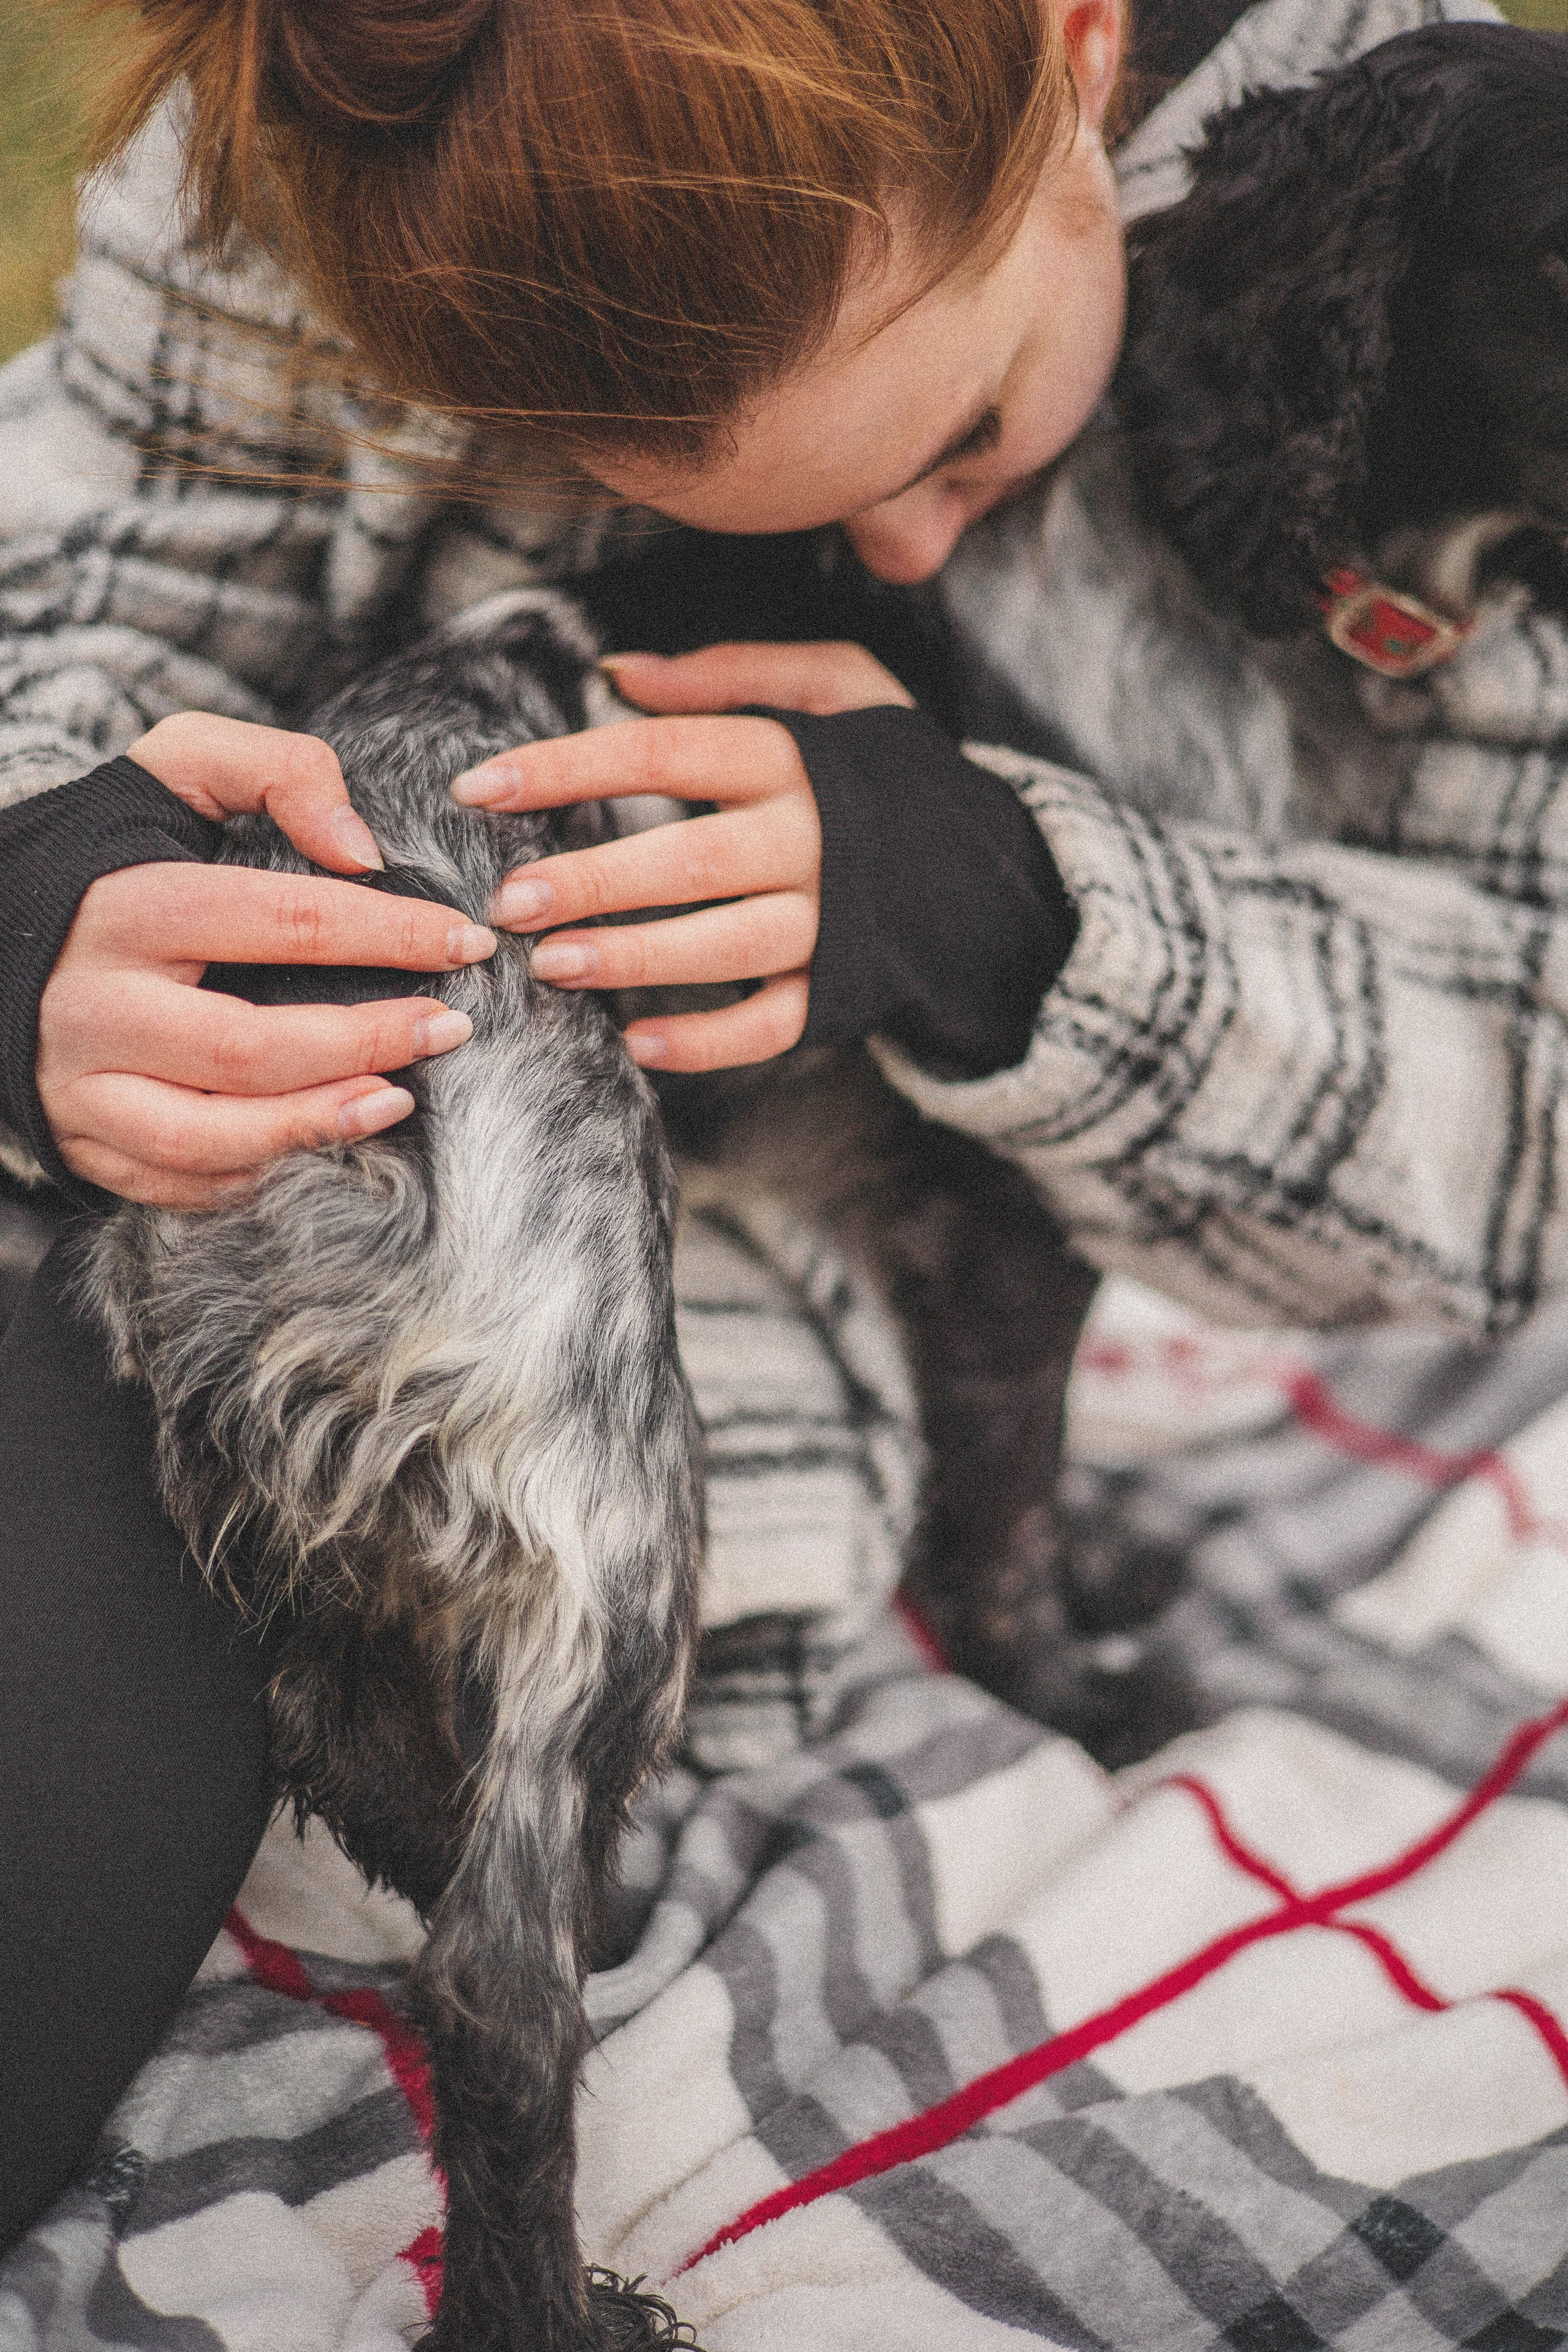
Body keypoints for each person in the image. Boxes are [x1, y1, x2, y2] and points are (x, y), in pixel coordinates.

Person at [0, 0, 1547, 2252]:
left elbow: (1536, 1129)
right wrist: (35, 883)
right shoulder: (337, 120)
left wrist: (1030, 916)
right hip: (299, 1171)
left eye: (973, 428)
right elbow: (73, 583)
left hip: (761, 1333)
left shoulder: (1471, 209)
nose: (911, 556)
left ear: (1077, 51)